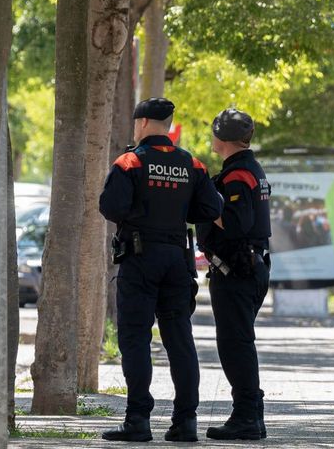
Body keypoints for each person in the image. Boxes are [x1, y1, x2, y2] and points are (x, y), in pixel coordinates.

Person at [98, 97, 223, 443]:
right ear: (167, 126)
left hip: (139, 259)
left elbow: (110, 206)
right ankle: (186, 421)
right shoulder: (192, 165)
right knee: (180, 338)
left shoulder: (129, 161)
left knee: (135, 337)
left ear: (141, 124)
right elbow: (211, 207)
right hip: (177, 259)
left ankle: (137, 420)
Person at [196, 108, 272, 441]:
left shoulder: (239, 175)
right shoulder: (247, 170)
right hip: (249, 267)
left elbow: (237, 223)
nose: (211, 137)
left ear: (222, 138)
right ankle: (252, 415)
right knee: (238, 341)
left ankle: (245, 417)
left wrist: (207, 203)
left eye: (213, 132)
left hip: (239, 270)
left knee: (235, 344)